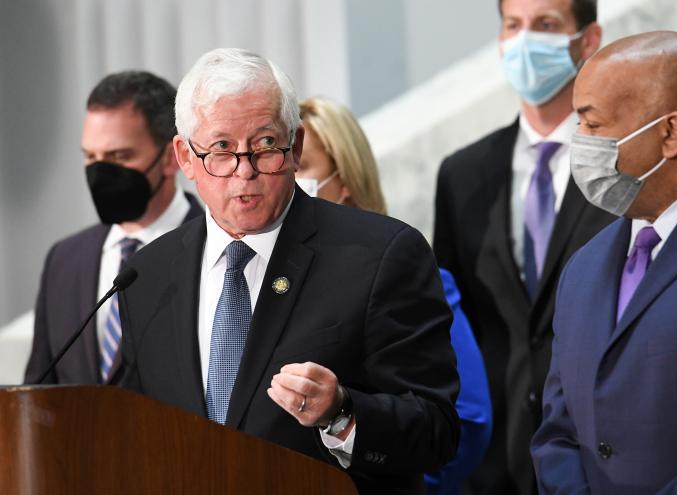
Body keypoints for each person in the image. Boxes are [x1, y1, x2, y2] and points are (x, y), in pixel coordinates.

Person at [117, 49, 460, 495]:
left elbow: (437, 430)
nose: (245, 173)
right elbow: (135, 431)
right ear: (185, 157)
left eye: (264, 146)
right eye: (221, 149)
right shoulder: (147, 275)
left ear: (295, 146)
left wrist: (343, 413)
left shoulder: (381, 255)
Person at [531, 31, 677, 494]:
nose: (578, 142)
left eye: (592, 124)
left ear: (672, 133)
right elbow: (557, 433)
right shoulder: (584, 267)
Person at [433, 1, 613, 493]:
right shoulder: (462, 174)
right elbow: (451, 323)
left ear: (589, 40)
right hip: (493, 464)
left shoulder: (625, 166)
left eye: (547, 25)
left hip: (600, 456)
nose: (525, 41)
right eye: (514, 25)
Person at [297, 96, 493, 494]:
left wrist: (395, 478)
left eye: (300, 168)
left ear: (346, 180)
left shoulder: (411, 277)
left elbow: (468, 420)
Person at [24, 71, 203, 385]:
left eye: (120, 156)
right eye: (91, 157)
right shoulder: (65, 260)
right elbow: (39, 389)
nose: (100, 172)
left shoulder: (216, 251)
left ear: (172, 157)